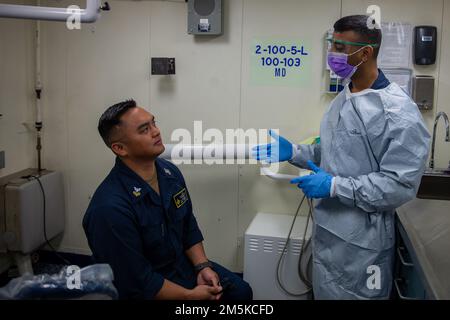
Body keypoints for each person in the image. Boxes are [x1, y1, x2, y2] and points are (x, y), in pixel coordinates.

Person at [253, 15, 430, 299]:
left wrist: (335, 186)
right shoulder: (346, 96)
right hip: (328, 235)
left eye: (340, 47)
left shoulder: (398, 113)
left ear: (366, 53)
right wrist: (295, 152)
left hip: (363, 247)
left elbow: (398, 185)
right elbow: (335, 151)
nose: (332, 54)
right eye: (331, 45)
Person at [83, 99, 253, 300]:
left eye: (154, 123)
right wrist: (190, 296)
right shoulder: (109, 209)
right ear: (120, 148)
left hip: (181, 266)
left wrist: (202, 266)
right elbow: (137, 282)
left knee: (241, 292)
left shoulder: (169, 172)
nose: (156, 132)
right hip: (147, 287)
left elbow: (188, 225)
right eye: (144, 129)